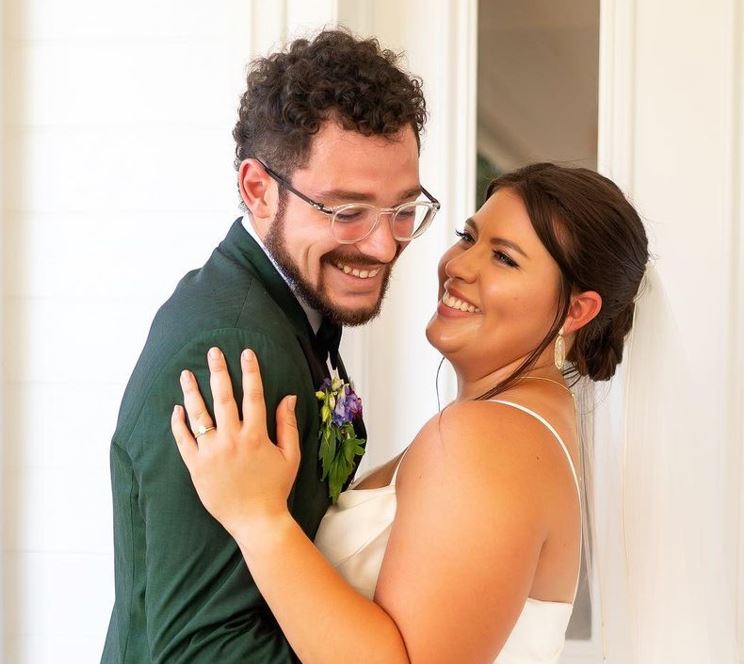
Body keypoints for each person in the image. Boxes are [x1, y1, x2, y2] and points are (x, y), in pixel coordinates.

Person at [171, 163, 649, 663]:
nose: (459, 266)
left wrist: (260, 519)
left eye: (505, 259)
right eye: (469, 237)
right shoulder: (530, 427)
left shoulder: (493, 437)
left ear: (577, 311)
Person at [102, 29, 437, 663]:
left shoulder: (294, 305)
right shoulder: (233, 347)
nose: (383, 245)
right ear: (259, 189)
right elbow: (197, 652)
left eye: (402, 209)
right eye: (347, 211)